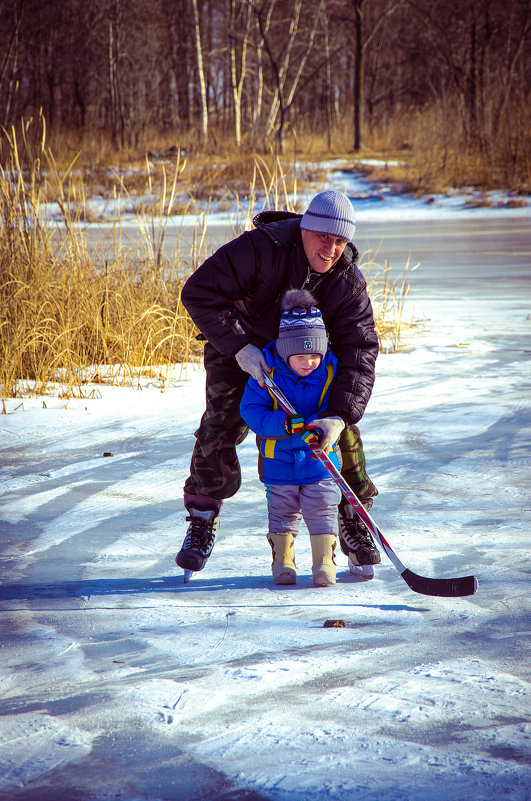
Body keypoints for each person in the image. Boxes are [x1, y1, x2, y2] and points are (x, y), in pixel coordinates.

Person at [175, 189, 380, 575]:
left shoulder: (346, 281)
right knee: (221, 424)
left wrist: (339, 415)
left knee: (340, 428)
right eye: (324, 237)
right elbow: (198, 292)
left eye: (340, 241)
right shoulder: (260, 248)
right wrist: (240, 347)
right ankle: (202, 517)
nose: (331, 249)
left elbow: (360, 349)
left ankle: (352, 515)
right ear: (306, 228)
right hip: (243, 347)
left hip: (307, 360)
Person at [239, 288, 343, 586]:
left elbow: (335, 407)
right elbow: (251, 410)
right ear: (285, 352)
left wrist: (323, 426)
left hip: (319, 460)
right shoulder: (267, 373)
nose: (309, 362)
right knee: (282, 512)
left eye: (314, 354)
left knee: (323, 507)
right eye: (301, 356)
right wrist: (283, 424)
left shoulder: (330, 372)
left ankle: (324, 562)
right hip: (279, 461)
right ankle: (283, 562)